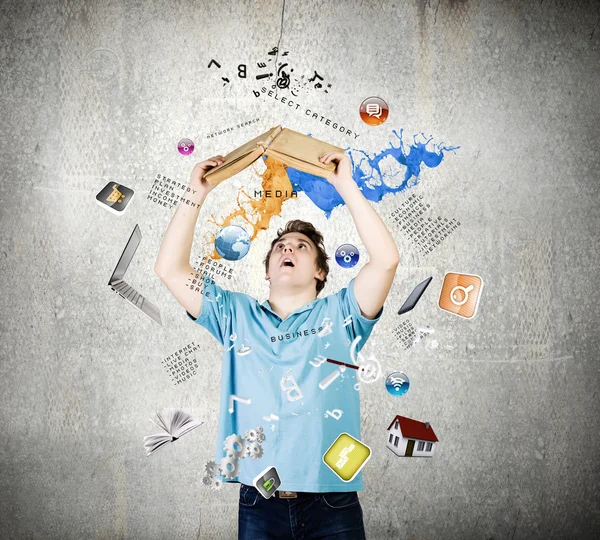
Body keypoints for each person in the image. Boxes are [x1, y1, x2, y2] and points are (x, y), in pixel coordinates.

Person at [155, 151, 400, 540]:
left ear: (321, 271)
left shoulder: (343, 314)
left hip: (332, 501)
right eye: (281, 246)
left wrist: (344, 185)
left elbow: (386, 260)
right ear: (267, 269)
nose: (289, 249)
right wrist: (195, 193)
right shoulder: (233, 314)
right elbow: (170, 270)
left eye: (302, 246)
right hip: (259, 500)